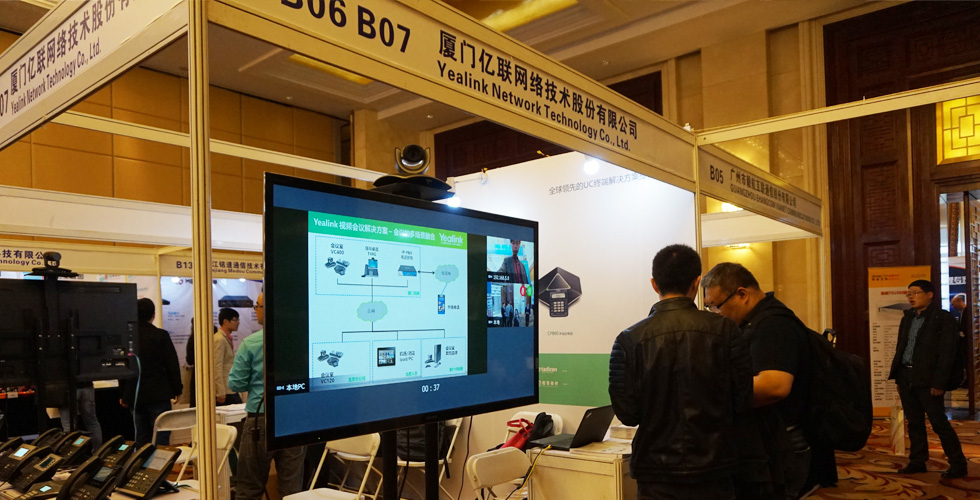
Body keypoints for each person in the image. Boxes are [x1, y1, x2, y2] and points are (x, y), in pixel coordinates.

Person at [609, 244, 752, 500]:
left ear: (654, 284)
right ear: (697, 283)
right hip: (715, 469)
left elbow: (628, 414)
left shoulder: (629, 339)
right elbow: (743, 399)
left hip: (655, 473)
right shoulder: (727, 331)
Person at [702, 263, 818, 499]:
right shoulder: (757, 321)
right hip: (773, 437)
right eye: (709, 307)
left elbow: (775, 386)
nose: (715, 313)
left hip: (782, 441)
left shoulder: (773, 325)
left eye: (716, 305)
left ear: (742, 294)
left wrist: (713, 394)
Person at [229, 293, 306, 500]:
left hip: (261, 419)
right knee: (292, 491)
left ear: (268, 308)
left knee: (250, 489)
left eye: (258, 306)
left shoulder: (251, 343)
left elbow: (236, 384)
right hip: (296, 419)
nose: (256, 310)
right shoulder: (302, 340)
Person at [888, 279, 967, 478]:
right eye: (908, 294)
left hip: (928, 379)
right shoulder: (908, 318)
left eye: (915, 293)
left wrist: (939, 382)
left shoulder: (942, 318)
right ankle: (917, 461)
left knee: (939, 423)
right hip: (906, 377)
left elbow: (947, 353)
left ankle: (958, 463)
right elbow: (902, 347)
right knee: (914, 422)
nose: (911, 297)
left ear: (929, 294)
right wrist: (899, 375)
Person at [120, 298, 182, 445]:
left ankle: (142, 460)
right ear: (153, 315)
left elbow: (122, 366)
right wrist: (177, 389)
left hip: (135, 394)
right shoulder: (161, 335)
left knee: (141, 436)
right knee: (161, 435)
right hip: (159, 394)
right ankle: (159, 460)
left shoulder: (127, 337)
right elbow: (172, 364)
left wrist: (123, 393)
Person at [59, 382, 103, 449]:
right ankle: (98, 452)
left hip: (67, 388)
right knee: (92, 422)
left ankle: (70, 452)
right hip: (87, 386)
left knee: (69, 425)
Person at [214, 308, 242, 406]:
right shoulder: (219, 339)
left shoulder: (225, 338)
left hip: (230, 387)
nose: (238, 322)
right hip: (225, 390)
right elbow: (217, 366)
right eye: (235, 320)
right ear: (225, 321)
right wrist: (220, 391)